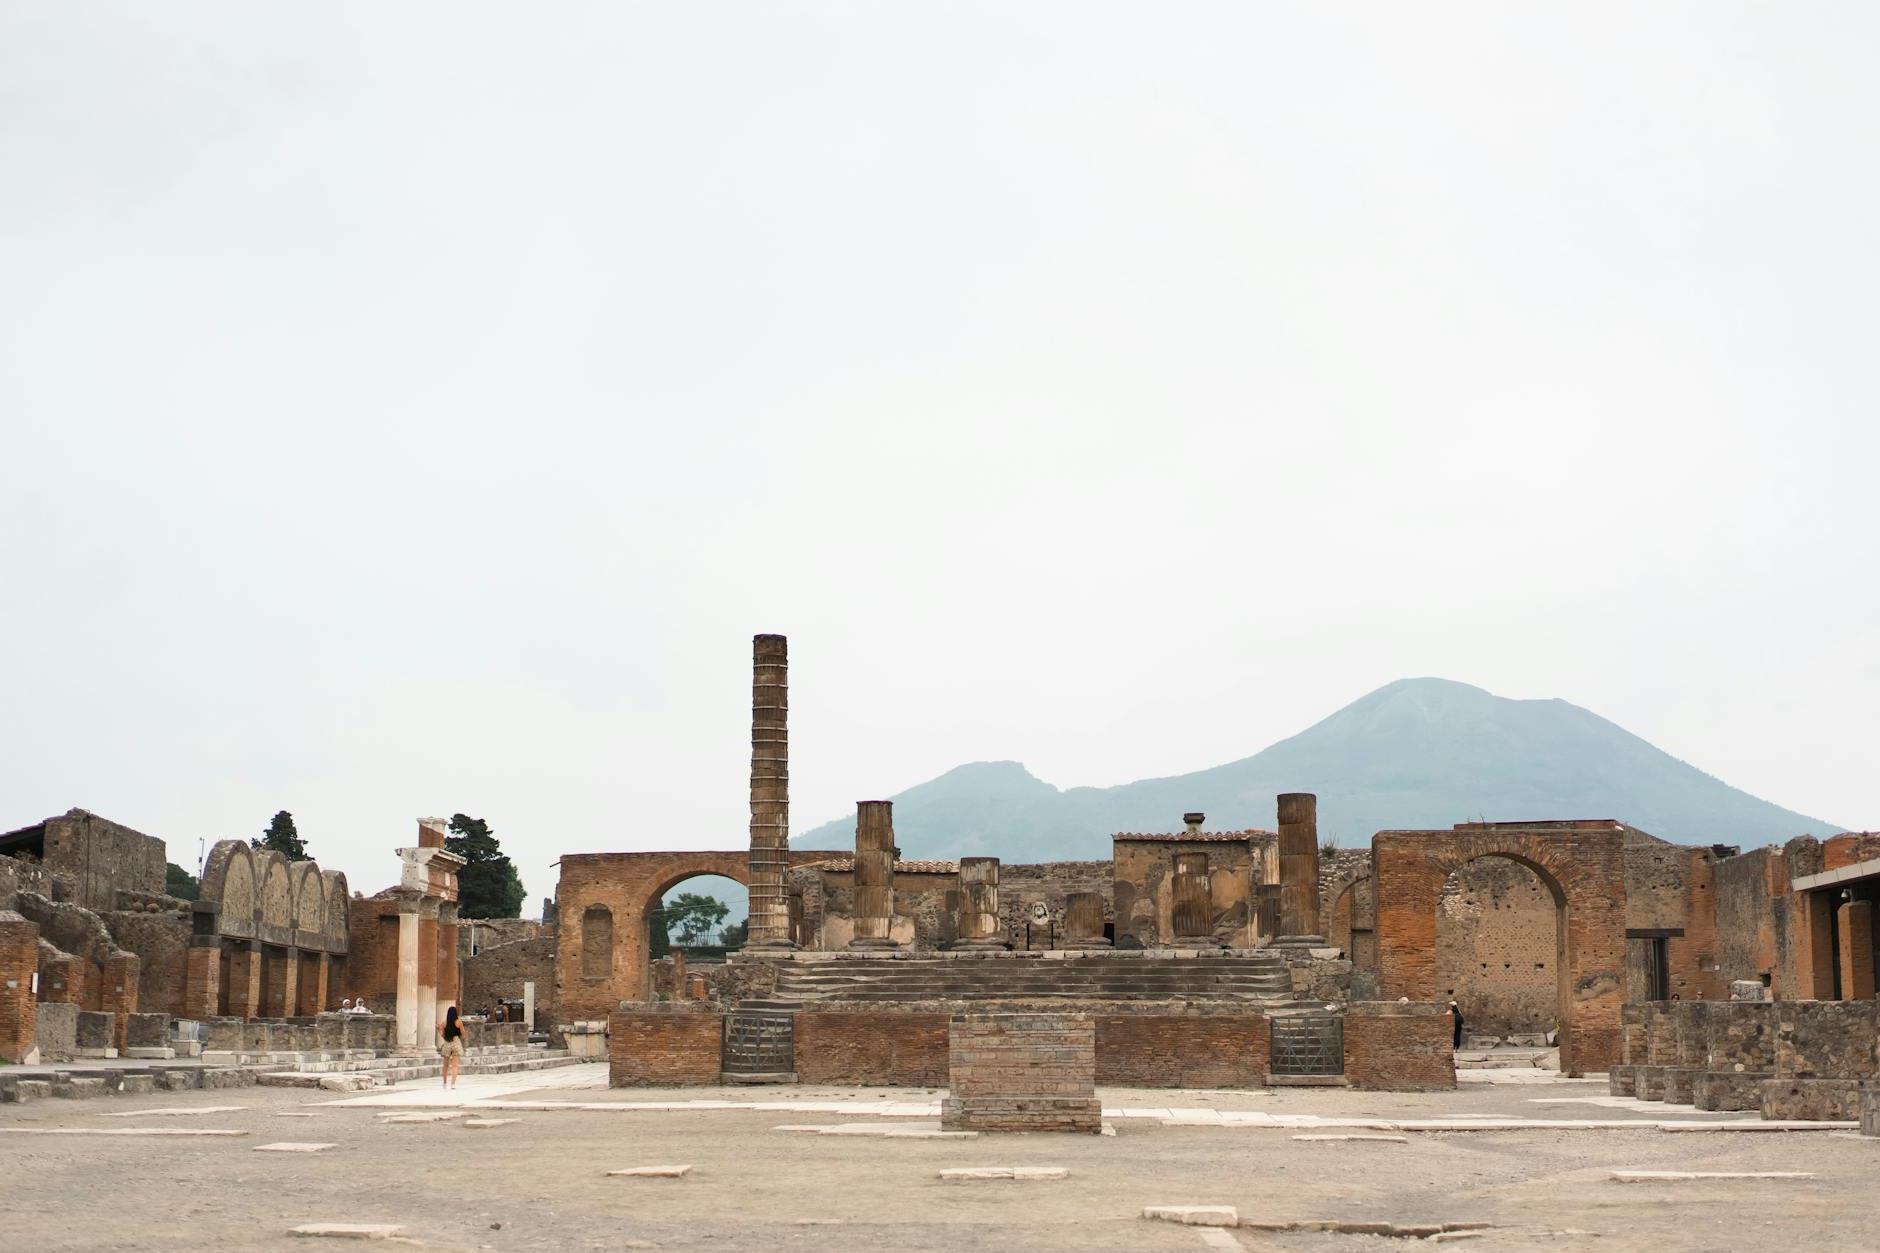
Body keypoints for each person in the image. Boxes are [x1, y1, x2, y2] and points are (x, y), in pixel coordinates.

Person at [438, 1005, 465, 1088]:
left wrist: (439, 1029)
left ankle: (444, 1083)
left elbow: (442, 1035)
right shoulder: (459, 1022)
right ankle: (453, 1084)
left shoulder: (444, 1023)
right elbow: (463, 1034)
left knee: (445, 1065)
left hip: (447, 1043)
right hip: (456, 1042)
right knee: (455, 1065)